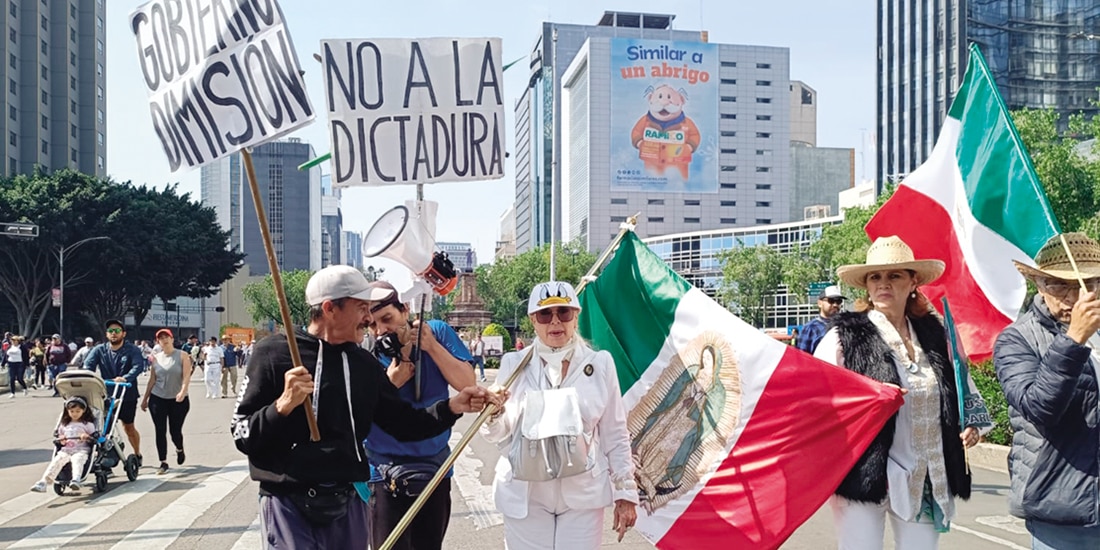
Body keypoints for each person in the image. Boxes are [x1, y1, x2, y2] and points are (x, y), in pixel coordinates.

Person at [231, 264, 497, 548]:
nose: (368, 319)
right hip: (288, 504)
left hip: (349, 504)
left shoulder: (363, 364)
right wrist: (281, 406)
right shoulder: (274, 354)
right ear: (330, 308)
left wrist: (453, 406)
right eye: (361, 309)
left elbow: (406, 424)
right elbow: (241, 432)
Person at [814, 236, 977, 549]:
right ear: (866, 286)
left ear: (913, 281)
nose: (883, 284)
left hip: (922, 472)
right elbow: (817, 398)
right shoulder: (842, 337)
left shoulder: (936, 333)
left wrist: (969, 423)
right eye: (875, 277)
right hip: (861, 471)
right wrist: (870, 400)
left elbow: (960, 386)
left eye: (894, 275)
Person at [481, 281, 639, 548]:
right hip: (525, 493)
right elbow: (498, 432)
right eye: (545, 314)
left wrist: (625, 492)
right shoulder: (513, 365)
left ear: (576, 316)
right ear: (533, 320)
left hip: (582, 493)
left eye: (563, 313)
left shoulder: (599, 364)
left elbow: (615, 433)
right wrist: (493, 412)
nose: (555, 322)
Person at [994, 232, 1100, 548]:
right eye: (1059, 284)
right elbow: (1040, 408)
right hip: (1062, 500)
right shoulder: (1017, 339)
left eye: (1087, 284)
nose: (1073, 296)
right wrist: (1074, 340)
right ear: (1039, 285)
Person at [364, 280, 478, 550]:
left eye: (387, 319)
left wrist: (432, 348)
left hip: (434, 469)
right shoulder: (366, 353)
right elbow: (362, 415)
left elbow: (467, 382)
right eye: (371, 324)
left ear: (405, 310)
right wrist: (390, 383)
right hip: (382, 472)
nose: (381, 330)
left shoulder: (436, 331)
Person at [84, 319, 146, 467]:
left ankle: (137, 454)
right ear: (106, 334)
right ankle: (104, 457)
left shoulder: (132, 350)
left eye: (117, 331)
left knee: (128, 427)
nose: (114, 334)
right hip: (106, 395)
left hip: (127, 394)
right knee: (103, 429)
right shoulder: (99, 349)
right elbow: (88, 365)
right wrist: (86, 376)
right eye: (111, 331)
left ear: (123, 334)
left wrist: (124, 378)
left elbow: (138, 366)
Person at [141, 328, 193, 475]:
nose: (164, 340)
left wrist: (183, 391)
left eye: (166, 337)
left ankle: (179, 449)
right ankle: (163, 461)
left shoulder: (182, 355)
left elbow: (186, 376)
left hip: (178, 399)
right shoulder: (156, 357)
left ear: (172, 339)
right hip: (158, 398)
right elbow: (152, 379)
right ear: (158, 342)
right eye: (161, 338)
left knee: (175, 431)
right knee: (160, 430)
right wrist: (145, 398)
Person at [31, 396, 99, 492]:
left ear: (83, 410)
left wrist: (87, 436)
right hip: (66, 450)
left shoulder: (87, 424)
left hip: (81, 450)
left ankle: (76, 479)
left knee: (77, 460)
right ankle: (43, 482)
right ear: (67, 411)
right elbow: (61, 437)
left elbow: (94, 438)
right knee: (56, 462)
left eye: (77, 411)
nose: (74, 414)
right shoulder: (64, 424)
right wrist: (62, 439)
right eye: (72, 411)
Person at [797, 285, 845, 354]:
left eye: (838, 301)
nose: (835, 305)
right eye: (831, 301)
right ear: (820, 303)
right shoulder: (811, 328)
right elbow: (801, 357)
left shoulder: (844, 326)